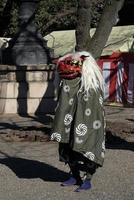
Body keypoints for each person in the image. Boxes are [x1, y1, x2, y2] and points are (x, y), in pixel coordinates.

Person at [51, 51, 105, 192]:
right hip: (68, 120)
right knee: (66, 146)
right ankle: (75, 176)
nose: (70, 67)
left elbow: (95, 107)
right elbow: (62, 102)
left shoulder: (92, 84)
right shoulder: (66, 81)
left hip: (88, 123)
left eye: (74, 63)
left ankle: (88, 179)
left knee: (88, 145)